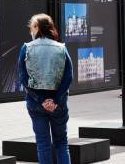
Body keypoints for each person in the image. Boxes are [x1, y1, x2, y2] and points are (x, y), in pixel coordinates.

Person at [17, 13, 73, 164]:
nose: (30, 31)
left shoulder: (26, 48)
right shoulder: (61, 48)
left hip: (36, 104)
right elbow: (68, 77)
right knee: (61, 142)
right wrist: (55, 100)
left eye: (31, 27)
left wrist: (42, 100)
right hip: (58, 104)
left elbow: (23, 78)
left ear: (37, 28)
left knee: (43, 143)